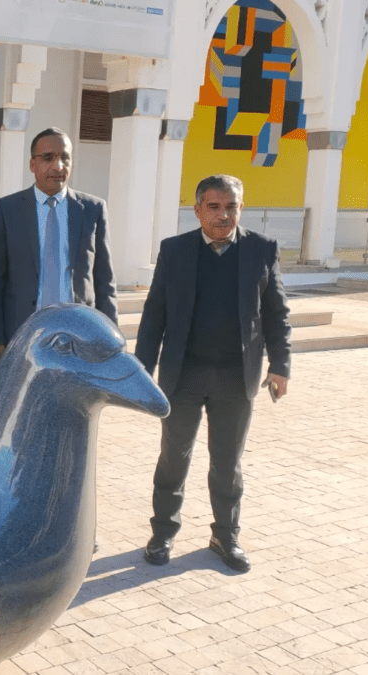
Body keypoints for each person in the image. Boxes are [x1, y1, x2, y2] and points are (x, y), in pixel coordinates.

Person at [135, 174, 292, 573]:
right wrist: (139, 371)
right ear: (198, 209)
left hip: (236, 379)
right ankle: (163, 533)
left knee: (227, 462)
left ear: (241, 207)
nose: (224, 215)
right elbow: (155, 315)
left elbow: (276, 313)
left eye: (232, 207)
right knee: (175, 457)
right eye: (215, 207)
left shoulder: (261, 249)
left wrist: (280, 366)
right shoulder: (176, 251)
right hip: (183, 376)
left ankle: (226, 534)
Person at [0, 127, 118, 362]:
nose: (58, 166)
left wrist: (111, 338)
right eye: (48, 157)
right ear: (32, 164)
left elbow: (105, 282)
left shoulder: (92, 209)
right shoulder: (8, 210)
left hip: (79, 336)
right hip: (24, 335)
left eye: (65, 157)